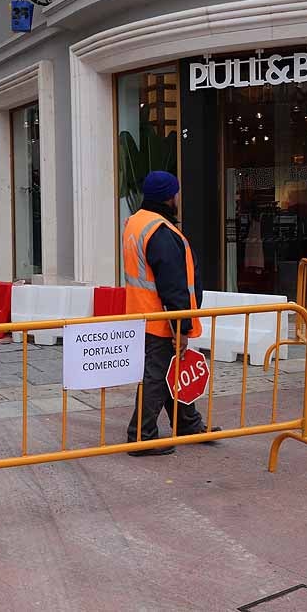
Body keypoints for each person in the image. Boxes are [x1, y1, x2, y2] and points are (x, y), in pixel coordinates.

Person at [123, 171, 218, 456]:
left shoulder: (136, 222)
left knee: (169, 373)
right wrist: (182, 329)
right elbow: (173, 286)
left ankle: (188, 425)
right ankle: (142, 436)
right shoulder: (160, 231)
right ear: (169, 196)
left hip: (144, 314)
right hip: (162, 319)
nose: (178, 197)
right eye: (176, 193)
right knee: (157, 376)